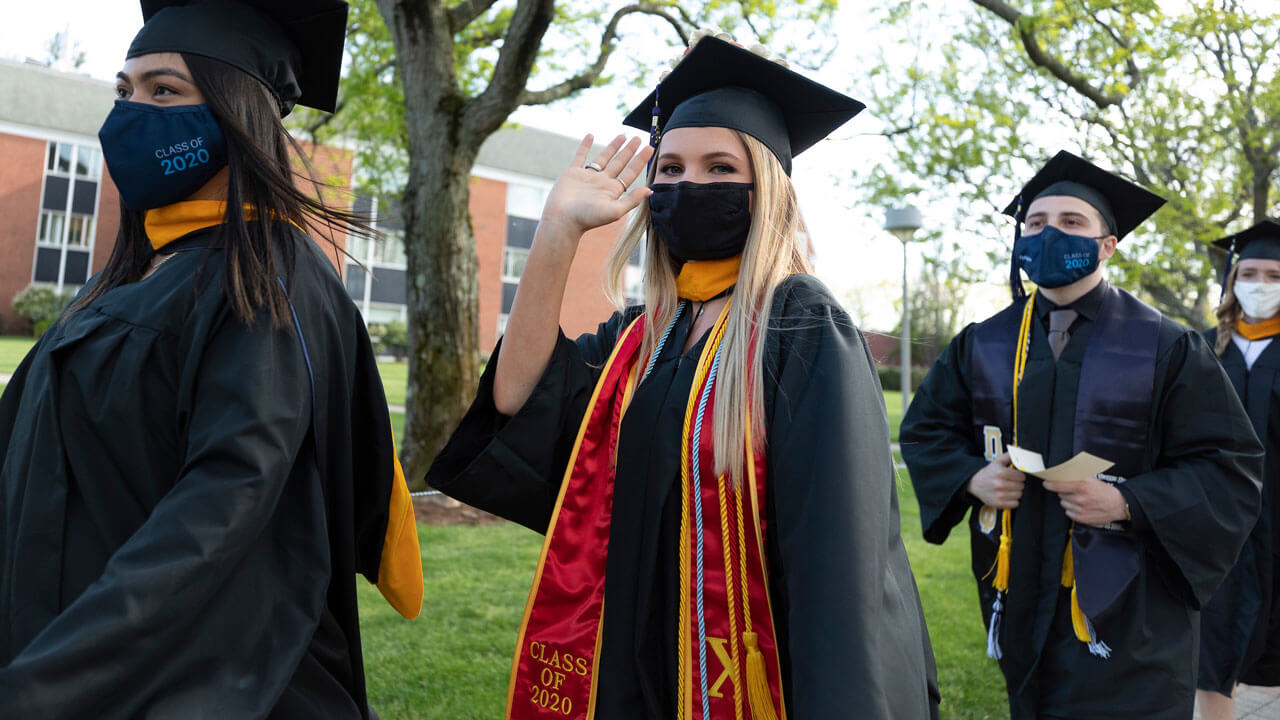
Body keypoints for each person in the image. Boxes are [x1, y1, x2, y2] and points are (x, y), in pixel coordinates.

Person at [426, 33, 939, 720]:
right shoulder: (643, 333)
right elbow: (518, 397)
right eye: (668, 170)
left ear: (766, 189)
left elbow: (839, 565)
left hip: (757, 675)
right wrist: (556, 235)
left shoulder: (801, 326)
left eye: (719, 167)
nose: (687, 186)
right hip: (630, 662)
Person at [0, 1, 423, 718]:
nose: (131, 112)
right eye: (124, 90)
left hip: (188, 682)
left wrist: (49, 683)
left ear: (234, 116)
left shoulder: (265, 279)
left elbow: (222, 508)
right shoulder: (149, 270)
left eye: (164, 91)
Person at [900, 150, 1263, 719]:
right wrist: (972, 477)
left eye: (1072, 223)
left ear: (1107, 245)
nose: (1049, 235)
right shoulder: (985, 343)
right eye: (1036, 224)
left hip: (1136, 613)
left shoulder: (1166, 346)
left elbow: (1228, 465)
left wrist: (1127, 500)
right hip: (1020, 593)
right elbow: (927, 430)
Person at [1197, 219, 1280, 719]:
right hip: (1218, 523)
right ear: (1232, 280)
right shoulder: (1203, 347)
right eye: (1250, 273)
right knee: (1215, 638)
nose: (1261, 285)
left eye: (1274, 274)